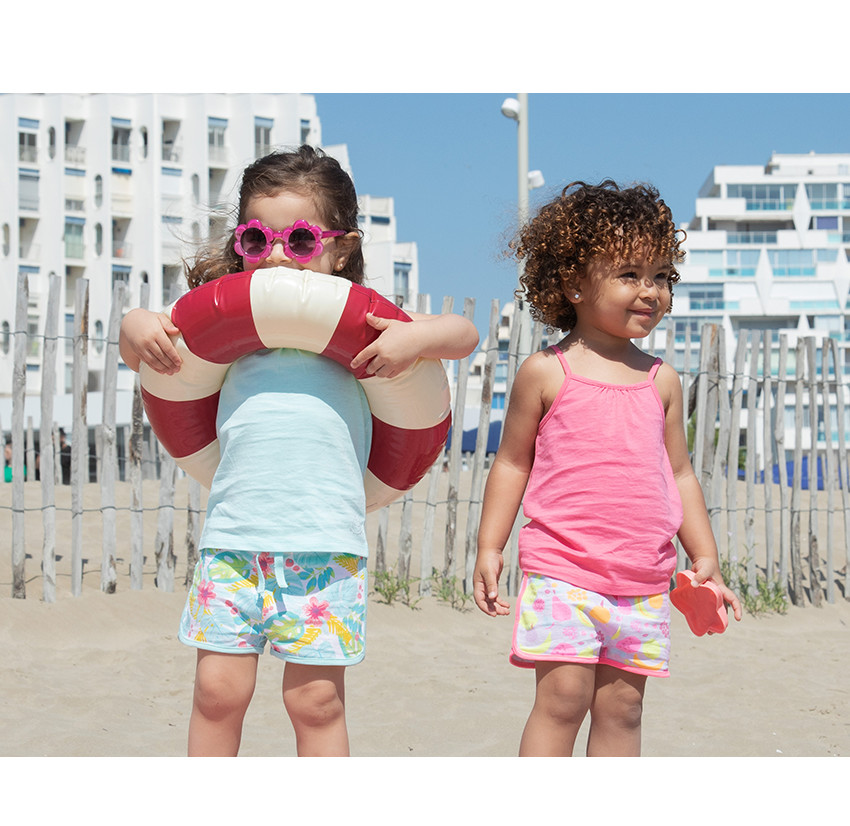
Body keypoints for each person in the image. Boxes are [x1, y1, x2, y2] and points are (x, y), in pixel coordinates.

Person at [120, 145, 478, 756]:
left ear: (342, 249)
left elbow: (464, 335)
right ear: (240, 246)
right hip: (234, 543)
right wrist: (134, 323)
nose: (278, 255)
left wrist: (416, 338)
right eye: (257, 240)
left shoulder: (373, 329)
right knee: (216, 693)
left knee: (314, 702)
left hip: (323, 548)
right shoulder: (220, 334)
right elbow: (140, 343)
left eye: (302, 240)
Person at [473, 180, 742, 757]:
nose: (651, 290)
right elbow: (512, 464)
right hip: (563, 568)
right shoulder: (546, 373)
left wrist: (705, 554)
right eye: (630, 273)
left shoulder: (660, 379)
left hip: (642, 579)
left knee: (623, 709)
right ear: (572, 283)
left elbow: (681, 474)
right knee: (563, 699)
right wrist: (490, 545)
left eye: (662, 275)